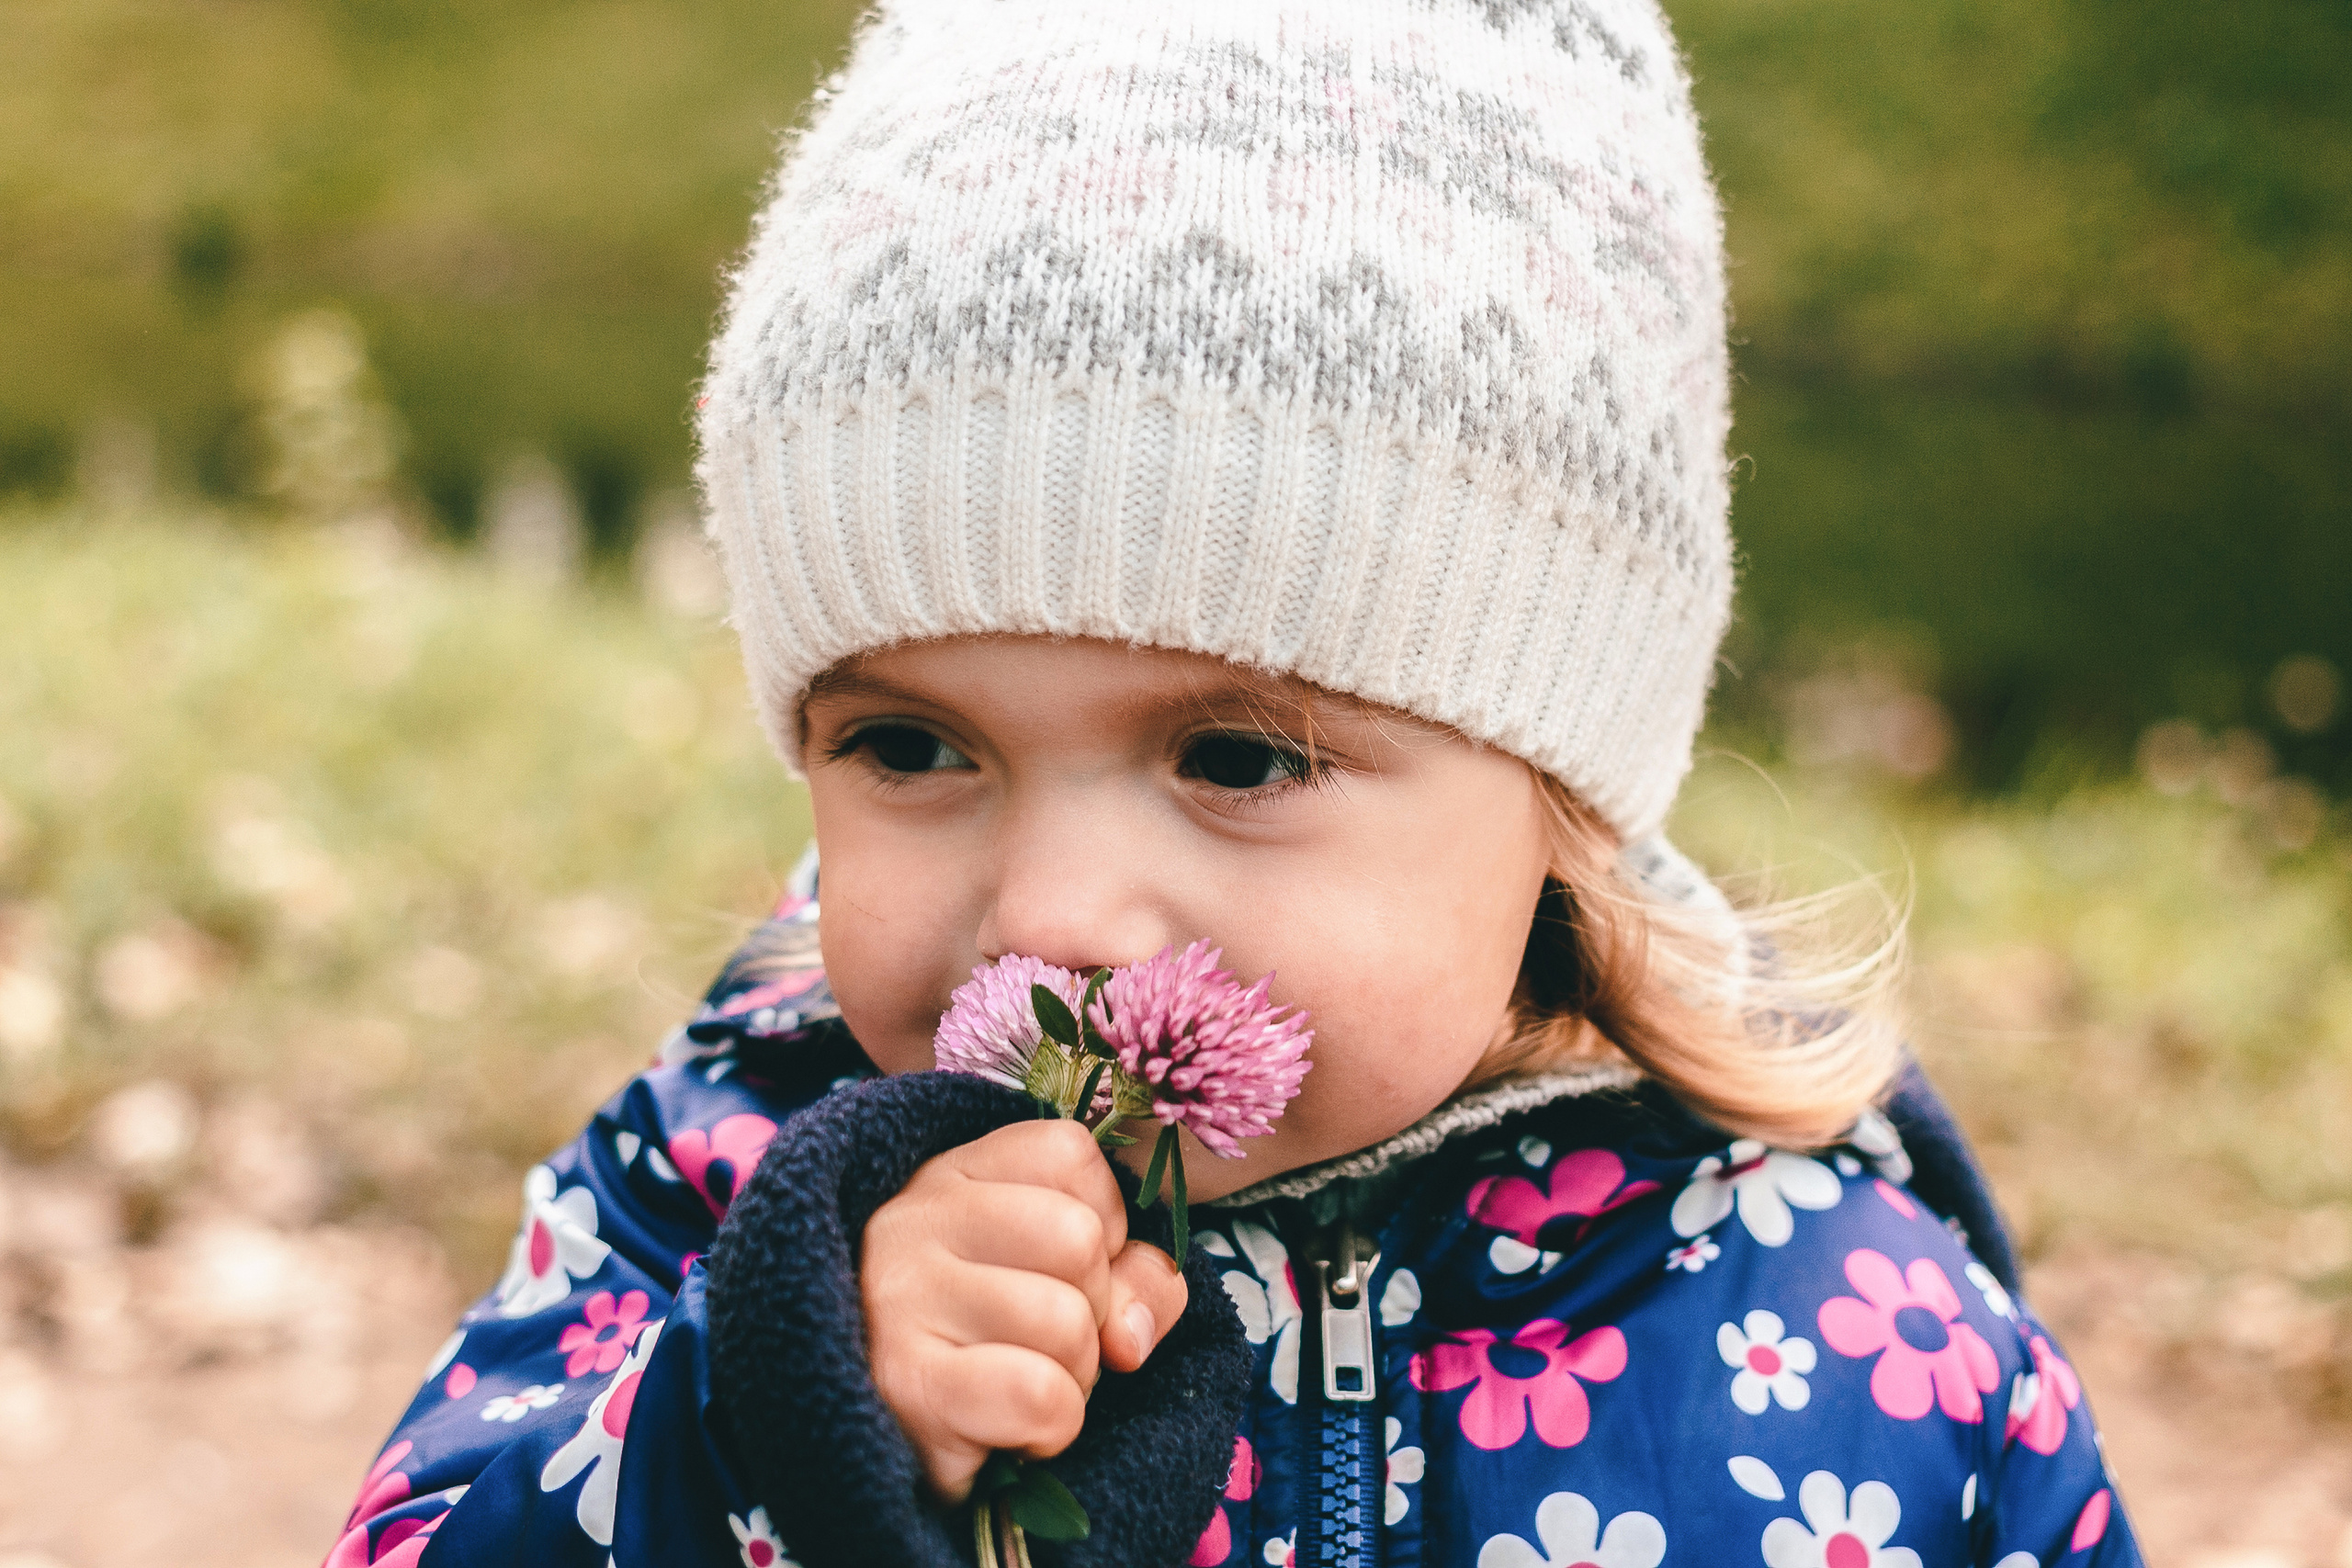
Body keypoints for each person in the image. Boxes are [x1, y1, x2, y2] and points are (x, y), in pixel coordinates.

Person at [330, 1, 2142, 1563]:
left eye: (1238, 758)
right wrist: (778, 1424)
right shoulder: (727, 1202)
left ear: (1561, 790)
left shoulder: (1857, 1332)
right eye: (912, 746)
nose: (1050, 915)